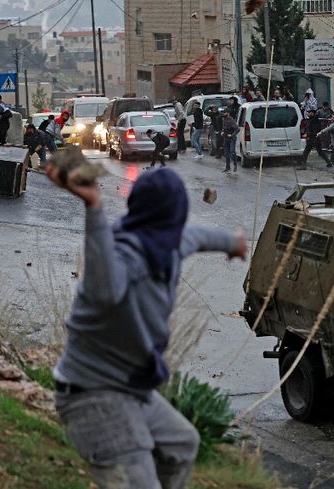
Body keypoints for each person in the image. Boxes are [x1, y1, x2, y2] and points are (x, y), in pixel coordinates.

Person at [45, 163, 246, 489]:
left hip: (127, 389)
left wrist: (234, 243)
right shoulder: (125, 254)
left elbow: (199, 237)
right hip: (91, 396)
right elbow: (104, 289)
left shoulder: (169, 246)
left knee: (182, 444)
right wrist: (93, 207)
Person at [221, 109, 239, 173]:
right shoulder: (224, 119)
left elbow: (237, 129)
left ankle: (235, 163)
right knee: (226, 153)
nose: (223, 114)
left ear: (228, 113)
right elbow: (224, 128)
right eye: (223, 113)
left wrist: (232, 135)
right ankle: (227, 167)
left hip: (232, 138)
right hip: (225, 138)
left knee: (232, 151)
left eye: (224, 113)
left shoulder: (231, 120)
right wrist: (223, 132)